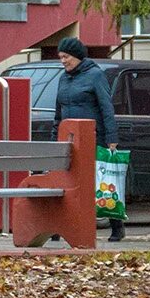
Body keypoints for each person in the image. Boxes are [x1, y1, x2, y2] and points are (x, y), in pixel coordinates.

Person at [55, 36, 124, 240]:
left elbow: (106, 107)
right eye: (60, 57)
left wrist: (112, 137)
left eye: (66, 56)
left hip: (93, 137)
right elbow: (58, 113)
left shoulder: (95, 76)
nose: (63, 61)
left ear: (76, 56)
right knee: (66, 182)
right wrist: (55, 136)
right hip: (69, 138)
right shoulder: (63, 78)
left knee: (101, 182)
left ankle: (117, 227)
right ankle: (60, 227)